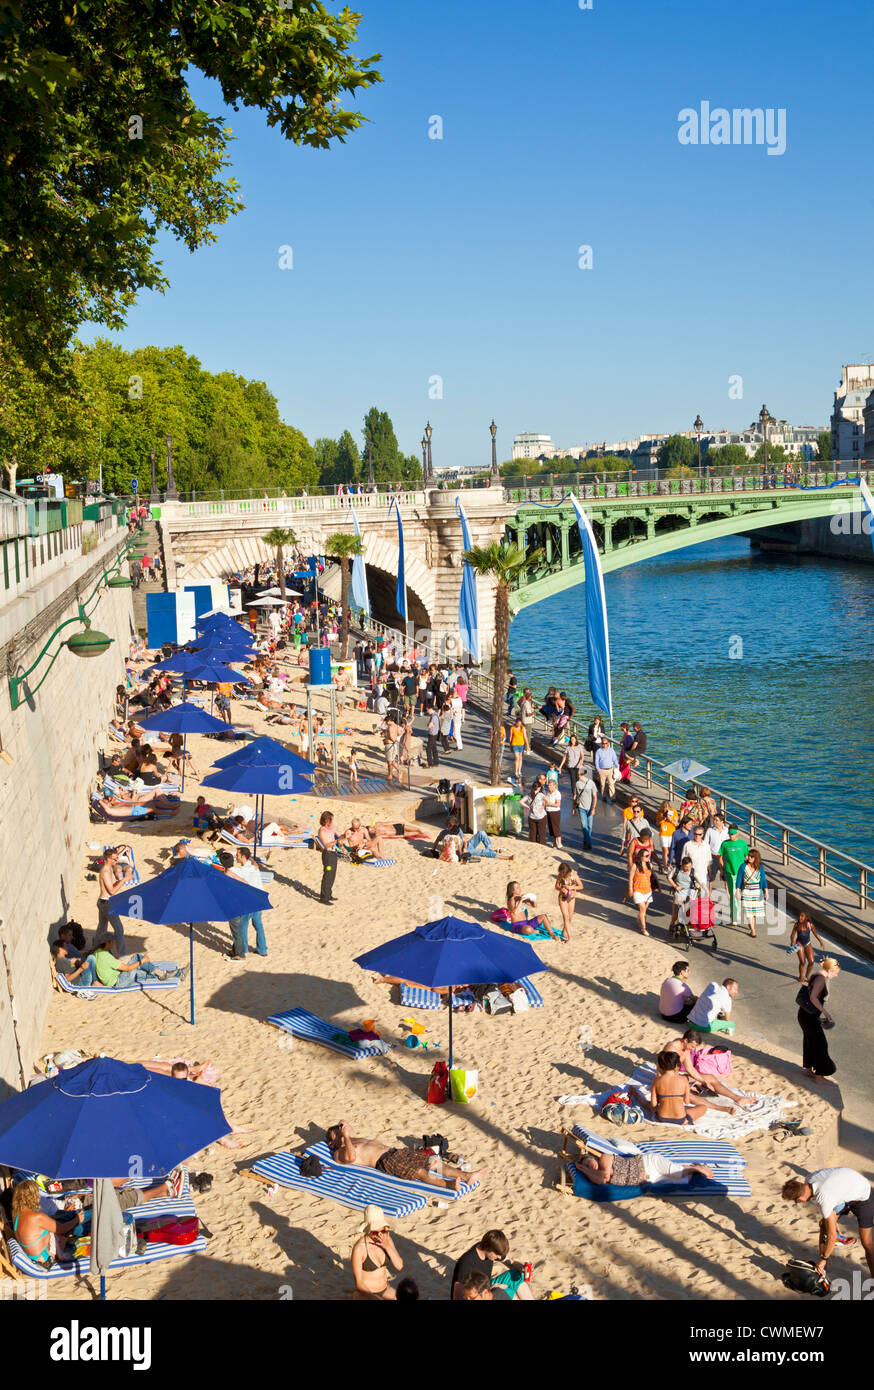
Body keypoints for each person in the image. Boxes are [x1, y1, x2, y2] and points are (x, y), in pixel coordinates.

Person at [326, 1123, 487, 1191]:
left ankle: (467, 1176)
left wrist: (342, 1128)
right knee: (419, 1172)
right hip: (386, 1161)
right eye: (337, 1135)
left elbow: (345, 1124)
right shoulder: (339, 1152)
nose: (341, 1133)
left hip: (396, 1152)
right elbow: (351, 1157)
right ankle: (449, 1185)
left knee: (432, 1161)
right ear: (333, 1143)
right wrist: (344, 1137)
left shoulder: (353, 1139)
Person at [782, 1169, 874, 1281]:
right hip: (845, 1189)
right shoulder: (809, 1179)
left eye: (796, 1201)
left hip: (862, 1195)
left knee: (867, 1243)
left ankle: (823, 1262)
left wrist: (824, 1258)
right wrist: (832, 1222)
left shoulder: (823, 1197)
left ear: (800, 1199)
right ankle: (823, 1267)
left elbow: (832, 1236)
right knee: (824, 1224)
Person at [663, 1028, 757, 1107]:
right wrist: (690, 1083)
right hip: (668, 1079)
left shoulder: (686, 1048)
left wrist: (703, 1081)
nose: (692, 1049)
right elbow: (667, 1072)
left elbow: (690, 1069)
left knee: (710, 1078)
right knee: (696, 1086)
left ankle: (737, 1098)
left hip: (677, 1076)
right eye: (692, 1046)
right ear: (686, 1040)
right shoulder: (672, 1049)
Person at [644, 1050, 731, 1125]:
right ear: (677, 1066)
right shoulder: (683, 1079)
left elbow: (654, 1104)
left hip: (661, 1117)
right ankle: (685, 1120)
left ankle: (635, 1093)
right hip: (680, 1119)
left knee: (647, 1104)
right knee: (702, 1107)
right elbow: (686, 1101)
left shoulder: (657, 1081)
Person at [11, 1179, 81, 1265]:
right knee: (76, 1220)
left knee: (62, 1217)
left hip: (32, 1255)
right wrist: (77, 1219)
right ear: (33, 1196)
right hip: (45, 1258)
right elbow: (61, 1229)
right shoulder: (36, 1216)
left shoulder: (16, 1213)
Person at [450, 1230, 534, 1301]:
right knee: (505, 1291)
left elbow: (509, 1262)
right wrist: (493, 1290)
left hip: (485, 1286)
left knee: (515, 1274)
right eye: (497, 1254)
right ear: (488, 1249)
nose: (499, 1257)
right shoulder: (467, 1262)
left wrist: (522, 1268)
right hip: (474, 1294)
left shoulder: (489, 1250)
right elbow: (457, 1295)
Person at [575, 1147, 714, 1188]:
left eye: (589, 1161)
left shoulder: (605, 1157)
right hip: (650, 1177)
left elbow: (604, 1176)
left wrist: (585, 1169)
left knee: (677, 1172)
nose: (590, 1165)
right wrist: (584, 1169)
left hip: (649, 1163)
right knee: (685, 1180)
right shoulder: (595, 1176)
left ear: (594, 1157)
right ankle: (693, 1167)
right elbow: (601, 1180)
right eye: (588, 1166)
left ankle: (700, 1167)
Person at [797, 957, 840, 1084]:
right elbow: (813, 997)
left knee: (810, 1041)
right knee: (821, 1044)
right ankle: (820, 1076)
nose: (836, 975)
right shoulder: (821, 979)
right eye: (836, 972)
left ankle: (808, 1069)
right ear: (830, 970)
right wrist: (825, 1012)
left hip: (804, 1014)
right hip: (809, 1016)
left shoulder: (816, 975)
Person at [350, 1206, 404, 1301]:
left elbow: (399, 1266)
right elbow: (359, 1283)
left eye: (382, 1230)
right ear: (368, 1230)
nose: (380, 1234)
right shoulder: (359, 1248)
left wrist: (387, 1247)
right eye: (375, 1232)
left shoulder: (386, 1238)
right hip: (366, 1294)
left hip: (385, 1289)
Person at [90, 938, 187, 988]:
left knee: (147, 974)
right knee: (137, 957)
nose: (114, 942)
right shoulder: (106, 957)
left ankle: (180, 974)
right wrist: (142, 961)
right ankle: (162, 974)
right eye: (112, 941)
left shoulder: (97, 952)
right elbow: (127, 969)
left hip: (118, 977)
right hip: (120, 982)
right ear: (107, 943)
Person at [97, 846, 135, 954]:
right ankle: (122, 955)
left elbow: (113, 886)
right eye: (114, 859)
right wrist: (124, 880)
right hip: (106, 903)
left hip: (104, 902)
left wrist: (122, 881)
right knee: (119, 929)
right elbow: (111, 891)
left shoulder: (109, 869)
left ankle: (95, 949)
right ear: (108, 859)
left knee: (102, 928)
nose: (116, 860)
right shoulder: (105, 871)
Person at [719, 825, 750, 927]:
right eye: (729, 834)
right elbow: (720, 858)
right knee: (733, 895)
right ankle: (734, 918)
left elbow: (747, 858)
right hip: (730, 872)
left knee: (740, 895)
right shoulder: (725, 844)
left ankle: (737, 914)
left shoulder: (743, 844)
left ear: (737, 833)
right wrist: (722, 870)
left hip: (741, 873)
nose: (731, 836)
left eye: (732, 834)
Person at [628, 841, 660, 936]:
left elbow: (653, 877)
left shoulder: (650, 865)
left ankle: (639, 920)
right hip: (638, 890)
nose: (648, 857)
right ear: (641, 856)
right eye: (646, 856)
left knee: (644, 910)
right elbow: (630, 878)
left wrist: (658, 887)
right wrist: (630, 889)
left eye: (648, 855)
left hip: (648, 890)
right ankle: (644, 928)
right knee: (642, 909)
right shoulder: (635, 866)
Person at [738, 846, 767, 938]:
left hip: (757, 892)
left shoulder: (760, 868)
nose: (749, 858)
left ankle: (751, 927)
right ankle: (753, 930)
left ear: (756, 858)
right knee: (748, 912)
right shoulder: (743, 866)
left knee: (754, 913)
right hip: (747, 891)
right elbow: (739, 879)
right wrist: (737, 890)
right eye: (749, 856)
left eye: (751, 856)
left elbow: (763, 880)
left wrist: (766, 891)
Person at [790, 910, 825, 984]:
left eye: (802, 916)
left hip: (807, 944)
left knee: (811, 962)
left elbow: (816, 934)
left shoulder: (810, 925)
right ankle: (801, 976)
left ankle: (807, 976)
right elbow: (792, 935)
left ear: (806, 917)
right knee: (802, 962)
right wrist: (792, 941)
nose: (800, 918)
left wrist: (821, 942)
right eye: (799, 916)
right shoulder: (796, 925)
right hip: (799, 944)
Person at [555, 863, 583, 942]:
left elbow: (581, 886)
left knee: (570, 917)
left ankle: (564, 933)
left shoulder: (574, 876)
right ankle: (569, 937)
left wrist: (572, 887)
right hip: (562, 897)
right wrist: (561, 888)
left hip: (571, 897)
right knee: (565, 916)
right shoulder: (560, 876)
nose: (564, 875)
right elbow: (556, 886)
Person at [317, 810, 339, 905]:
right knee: (328, 875)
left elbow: (339, 836)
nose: (332, 821)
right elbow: (326, 845)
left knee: (332, 875)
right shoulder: (322, 830)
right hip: (327, 854)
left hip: (334, 853)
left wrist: (346, 835)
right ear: (327, 820)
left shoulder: (332, 827)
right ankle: (324, 898)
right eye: (331, 819)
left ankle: (329, 894)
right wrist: (337, 841)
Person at [574, 766, 598, 850]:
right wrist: (573, 808)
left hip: (590, 808)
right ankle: (589, 843)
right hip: (581, 807)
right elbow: (576, 796)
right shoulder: (577, 783)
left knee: (590, 826)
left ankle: (586, 840)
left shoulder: (591, 783)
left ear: (582, 774)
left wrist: (593, 808)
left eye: (578, 773)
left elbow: (595, 797)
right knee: (584, 826)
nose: (577, 774)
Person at [525, 774, 548, 845]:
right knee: (541, 832)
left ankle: (534, 843)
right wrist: (543, 806)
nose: (545, 780)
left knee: (533, 832)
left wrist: (528, 807)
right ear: (539, 780)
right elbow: (546, 800)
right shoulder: (541, 792)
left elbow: (522, 801)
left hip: (532, 815)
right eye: (543, 779)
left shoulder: (530, 793)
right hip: (540, 814)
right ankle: (541, 843)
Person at [594, 737, 619, 802]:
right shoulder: (598, 751)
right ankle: (604, 797)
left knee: (611, 784)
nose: (604, 745)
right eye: (603, 743)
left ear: (608, 743)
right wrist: (598, 769)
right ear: (601, 744)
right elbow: (596, 761)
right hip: (602, 770)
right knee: (602, 785)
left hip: (610, 770)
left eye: (606, 743)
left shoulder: (611, 750)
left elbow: (615, 759)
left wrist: (617, 768)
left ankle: (612, 798)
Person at [657, 800, 679, 870]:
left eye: (667, 809)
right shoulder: (659, 812)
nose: (665, 810)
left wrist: (670, 819)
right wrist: (662, 819)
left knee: (671, 850)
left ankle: (670, 864)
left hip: (672, 833)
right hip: (663, 833)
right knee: (665, 850)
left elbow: (676, 824)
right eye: (664, 809)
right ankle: (665, 866)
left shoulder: (673, 811)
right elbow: (657, 823)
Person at [508, 715, 528, 781]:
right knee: (517, 758)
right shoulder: (512, 728)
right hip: (515, 744)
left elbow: (525, 737)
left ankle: (519, 771)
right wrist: (510, 745)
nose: (519, 725)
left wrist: (527, 745)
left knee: (520, 758)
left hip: (521, 745)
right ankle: (516, 772)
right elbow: (511, 737)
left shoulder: (523, 728)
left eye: (520, 723)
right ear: (516, 723)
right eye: (518, 723)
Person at [544, 778, 563, 848]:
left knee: (556, 828)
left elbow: (558, 804)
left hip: (555, 812)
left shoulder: (557, 793)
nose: (549, 786)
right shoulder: (548, 792)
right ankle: (555, 843)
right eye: (548, 785)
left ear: (554, 786)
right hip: (548, 811)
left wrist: (549, 803)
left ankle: (559, 843)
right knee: (551, 828)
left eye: (550, 785)